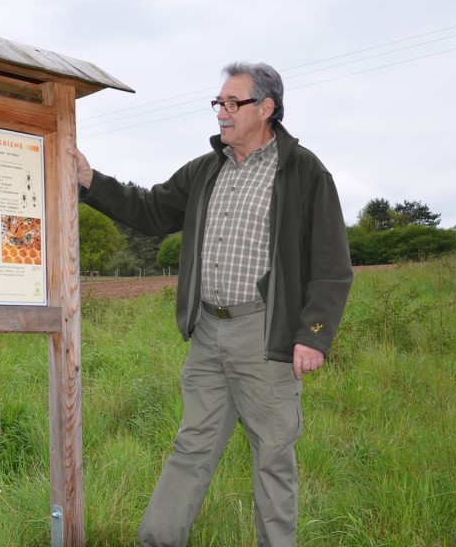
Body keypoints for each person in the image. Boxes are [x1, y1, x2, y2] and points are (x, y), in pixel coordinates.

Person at [68, 61, 353, 547]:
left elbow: (331, 263)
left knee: (273, 456)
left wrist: (313, 335)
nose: (220, 112)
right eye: (218, 103)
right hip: (207, 333)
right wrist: (90, 179)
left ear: (266, 108)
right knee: (191, 446)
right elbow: (150, 209)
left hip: (265, 336)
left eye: (231, 103)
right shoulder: (207, 169)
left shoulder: (303, 171)